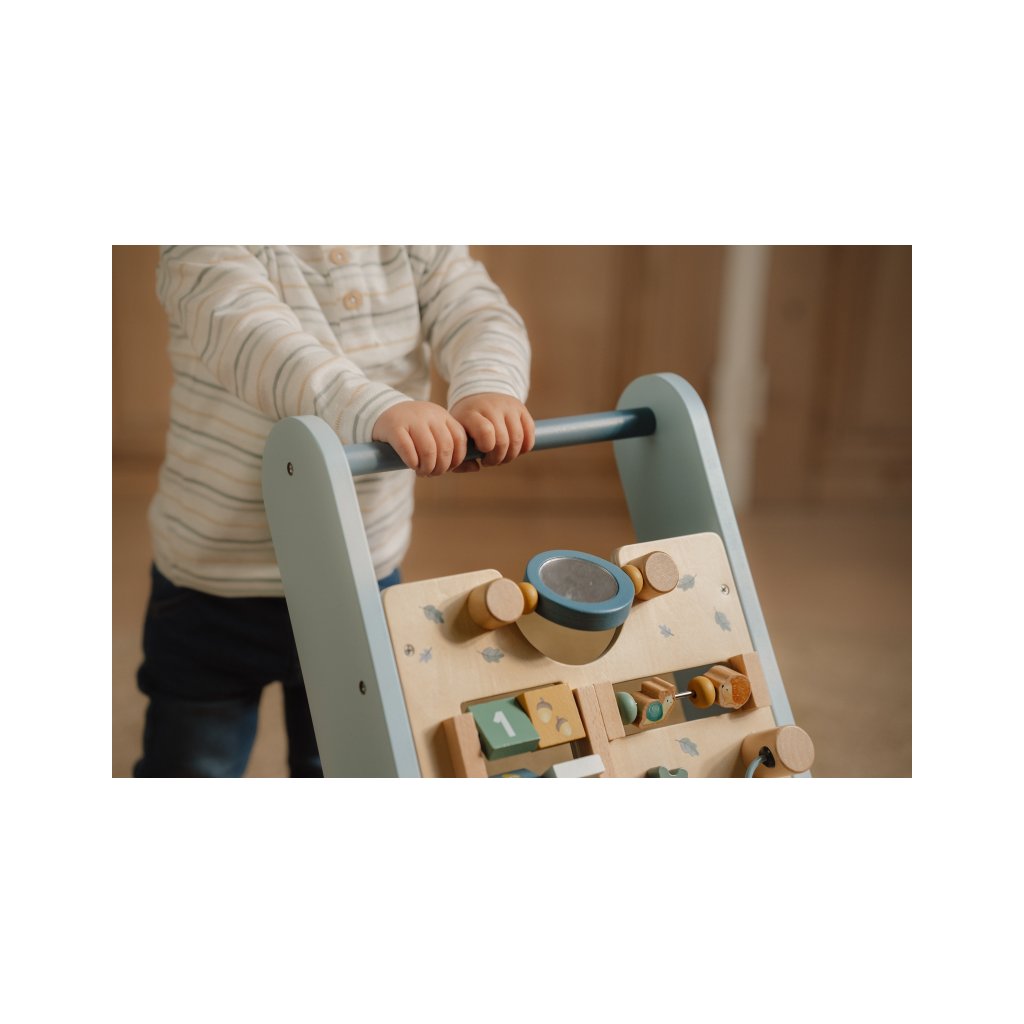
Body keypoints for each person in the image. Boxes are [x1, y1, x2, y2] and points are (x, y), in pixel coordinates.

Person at [134, 246, 534, 777]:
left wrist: (489, 385)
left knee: (350, 762)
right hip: (216, 585)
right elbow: (259, 341)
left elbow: (477, 310)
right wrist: (374, 408)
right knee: (191, 766)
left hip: (360, 575)